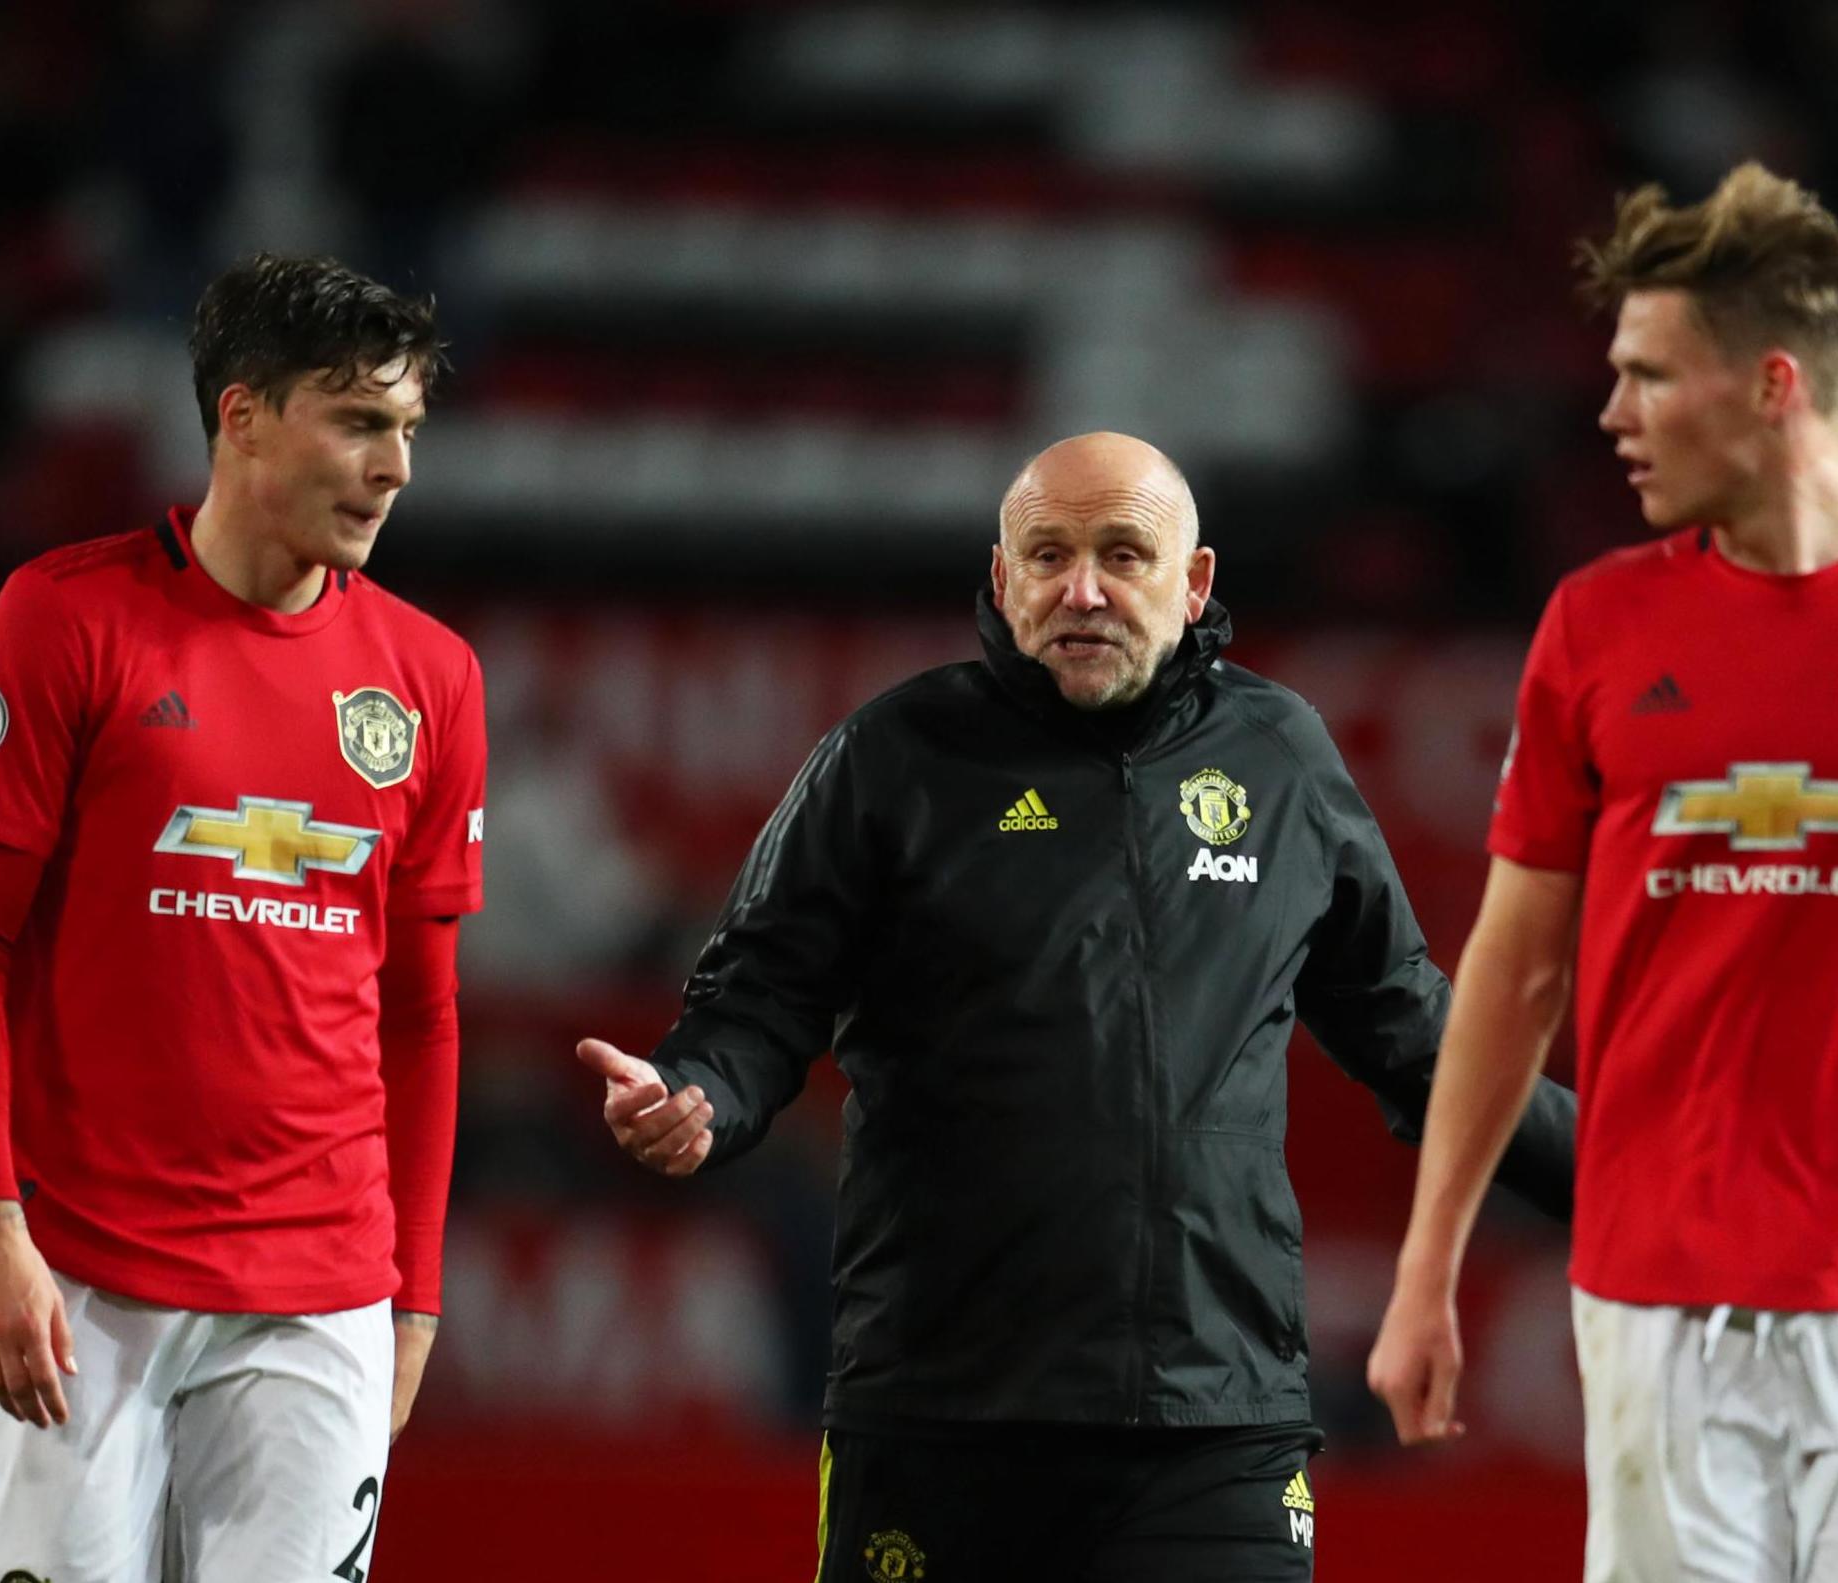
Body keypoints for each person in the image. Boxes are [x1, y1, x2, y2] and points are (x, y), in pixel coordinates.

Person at [576, 430, 1576, 1583]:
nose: (1080, 588)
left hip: (1213, 1420)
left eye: (1121, 553)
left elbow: (1410, 1029)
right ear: (1001, 578)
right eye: (1045, 554)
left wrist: (1608, 1173)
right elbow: (757, 999)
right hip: (943, 1412)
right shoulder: (891, 759)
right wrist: (701, 1090)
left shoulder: (1280, 760)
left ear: (1193, 581)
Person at [1370, 163, 1838, 1581]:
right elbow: (1512, 973)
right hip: (1650, 1304)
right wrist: (1422, 1266)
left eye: (1647, 375)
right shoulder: (1592, 628)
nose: (1610, 416)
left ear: (1769, 385)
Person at [0, 253, 487, 1582]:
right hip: (79, 1272)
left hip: (322, 1292)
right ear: (242, 414)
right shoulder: (63, 620)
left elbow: (423, 1011)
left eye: (409, 430)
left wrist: (415, 1296)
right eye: (360, 421)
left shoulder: (431, 679)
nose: (396, 469)